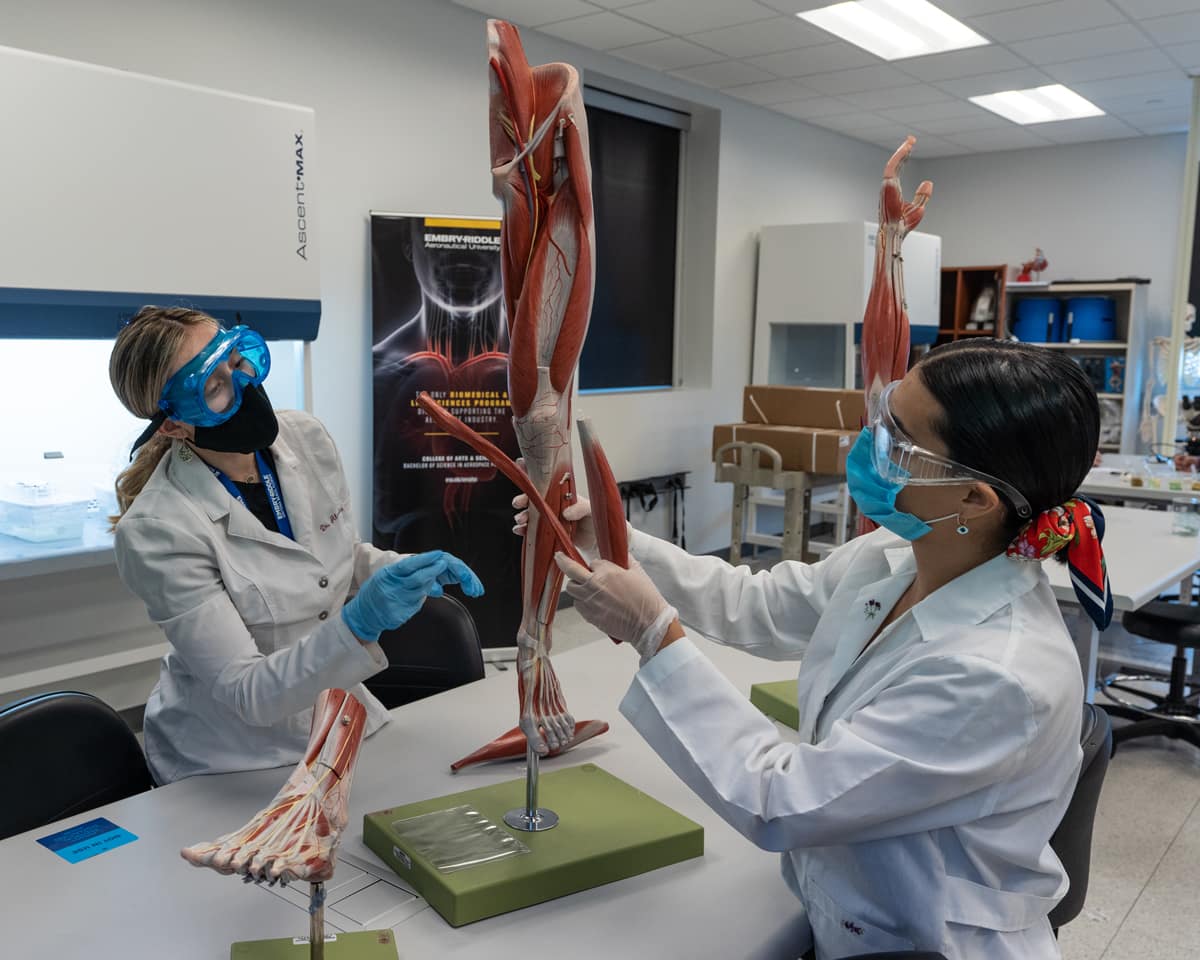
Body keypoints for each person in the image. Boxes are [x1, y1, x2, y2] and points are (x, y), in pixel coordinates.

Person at [542, 339, 1109, 959]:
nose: (867, 443)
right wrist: (618, 542)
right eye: (883, 412)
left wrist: (656, 636)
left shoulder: (1000, 676)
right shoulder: (894, 557)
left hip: (922, 942)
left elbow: (778, 799)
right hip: (843, 901)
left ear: (973, 499)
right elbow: (757, 605)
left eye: (899, 438)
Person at [109, 306, 483, 784]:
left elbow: (331, 557)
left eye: (237, 361)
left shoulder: (304, 438)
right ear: (174, 424)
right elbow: (248, 693)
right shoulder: (158, 530)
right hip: (230, 760)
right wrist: (361, 621)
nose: (243, 384)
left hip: (338, 717)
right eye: (214, 386)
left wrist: (393, 568)